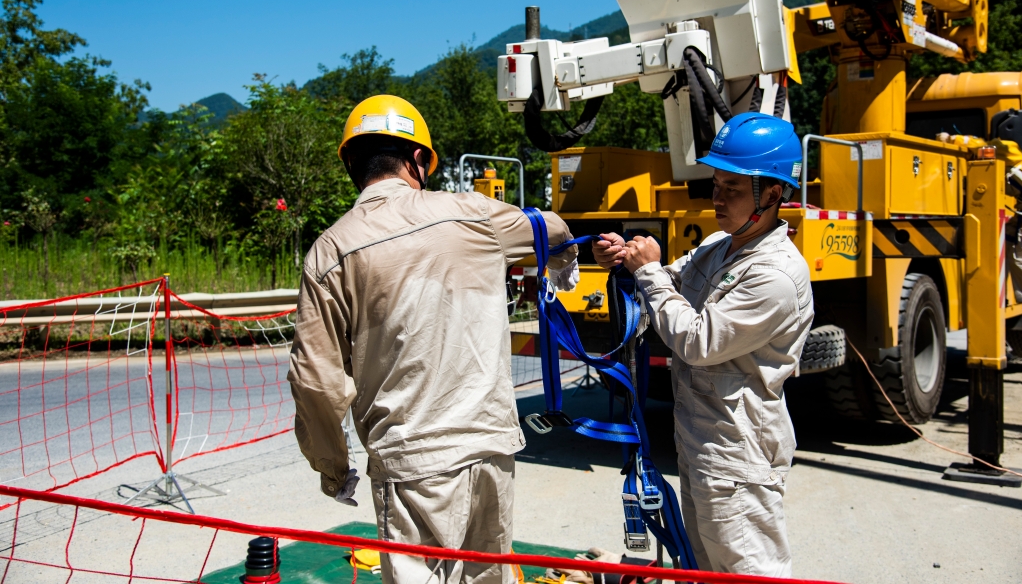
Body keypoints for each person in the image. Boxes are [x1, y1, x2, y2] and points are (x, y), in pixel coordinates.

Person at [287, 95, 579, 584]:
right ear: (418, 160)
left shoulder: (331, 251)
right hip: (492, 448)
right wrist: (560, 268)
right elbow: (550, 227)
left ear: (352, 165)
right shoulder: (473, 213)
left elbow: (316, 381)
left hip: (413, 462)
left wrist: (332, 468)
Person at [592, 112, 813, 577]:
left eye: (732, 188)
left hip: (739, 450)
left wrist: (649, 273)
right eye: (715, 183)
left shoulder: (774, 274)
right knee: (703, 568)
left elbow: (696, 340)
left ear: (772, 194)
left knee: (748, 570)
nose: (717, 197)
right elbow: (671, 283)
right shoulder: (721, 245)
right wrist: (626, 259)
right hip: (703, 442)